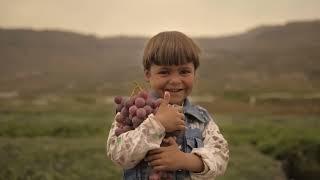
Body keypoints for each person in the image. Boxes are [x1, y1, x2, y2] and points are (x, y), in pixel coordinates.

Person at [106, 31, 229, 180]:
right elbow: (117, 153)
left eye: (184, 71)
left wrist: (185, 160)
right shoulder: (131, 113)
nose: (175, 80)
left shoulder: (202, 118)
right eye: (164, 72)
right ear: (147, 75)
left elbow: (221, 157)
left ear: (194, 74)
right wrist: (157, 124)